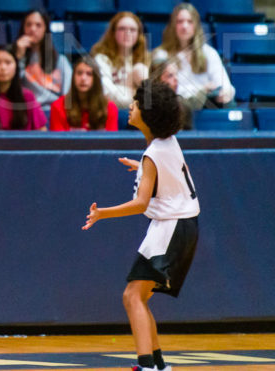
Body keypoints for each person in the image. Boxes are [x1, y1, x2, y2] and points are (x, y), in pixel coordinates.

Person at [82, 80, 199, 371]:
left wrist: (102, 214)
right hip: (186, 226)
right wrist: (143, 168)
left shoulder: (154, 154)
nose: (130, 107)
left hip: (170, 228)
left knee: (132, 296)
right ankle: (158, 365)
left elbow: (140, 205)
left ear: (148, 114)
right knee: (140, 297)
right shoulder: (167, 144)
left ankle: (146, 366)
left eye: (135, 104)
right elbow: (171, 173)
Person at [152, 3, 235, 108]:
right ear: (173, 25)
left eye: (189, 22)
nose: (184, 26)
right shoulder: (162, 54)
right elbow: (163, 91)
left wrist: (224, 92)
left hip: (205, 105)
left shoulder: (209, 53)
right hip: (176, 107)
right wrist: (202, 90)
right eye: (180, 21)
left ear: (196, 26)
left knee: (228, 103)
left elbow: (224, 85)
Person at [14, 9, 71, 115]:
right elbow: (13, 86)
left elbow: (67, 95)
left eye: (38, 25)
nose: (33, 29)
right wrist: (19, 57)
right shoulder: (12, 58)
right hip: (25, 112)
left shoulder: (60, 60)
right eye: (28, 25)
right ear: (23, 28)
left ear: (46, 29)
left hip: (54, 112)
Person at [91, 11, 150, 110]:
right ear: (113, 33)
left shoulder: (146, 58)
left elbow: (153, 96)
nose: (127, 33)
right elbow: (107, 94)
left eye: (133, 29)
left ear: (139, 34)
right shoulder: (102, 59)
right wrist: (139, 95)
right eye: (122, 29)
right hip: (112, 112)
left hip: (140, 113)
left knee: (140, 69)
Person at [49, 55, 119, 131]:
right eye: (79, 73)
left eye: (89, 74)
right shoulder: (58, 106)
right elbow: (57, 142)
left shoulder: (110, 108)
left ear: (96, 79)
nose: (83, 78)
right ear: (73, 77)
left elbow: (112, 142)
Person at [150, 59, 194, 130]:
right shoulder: (144, 107)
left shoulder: (184, 107)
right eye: (170, 76)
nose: (176, 79)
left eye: (176, 74)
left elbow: (188, 138)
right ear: (156, 80)